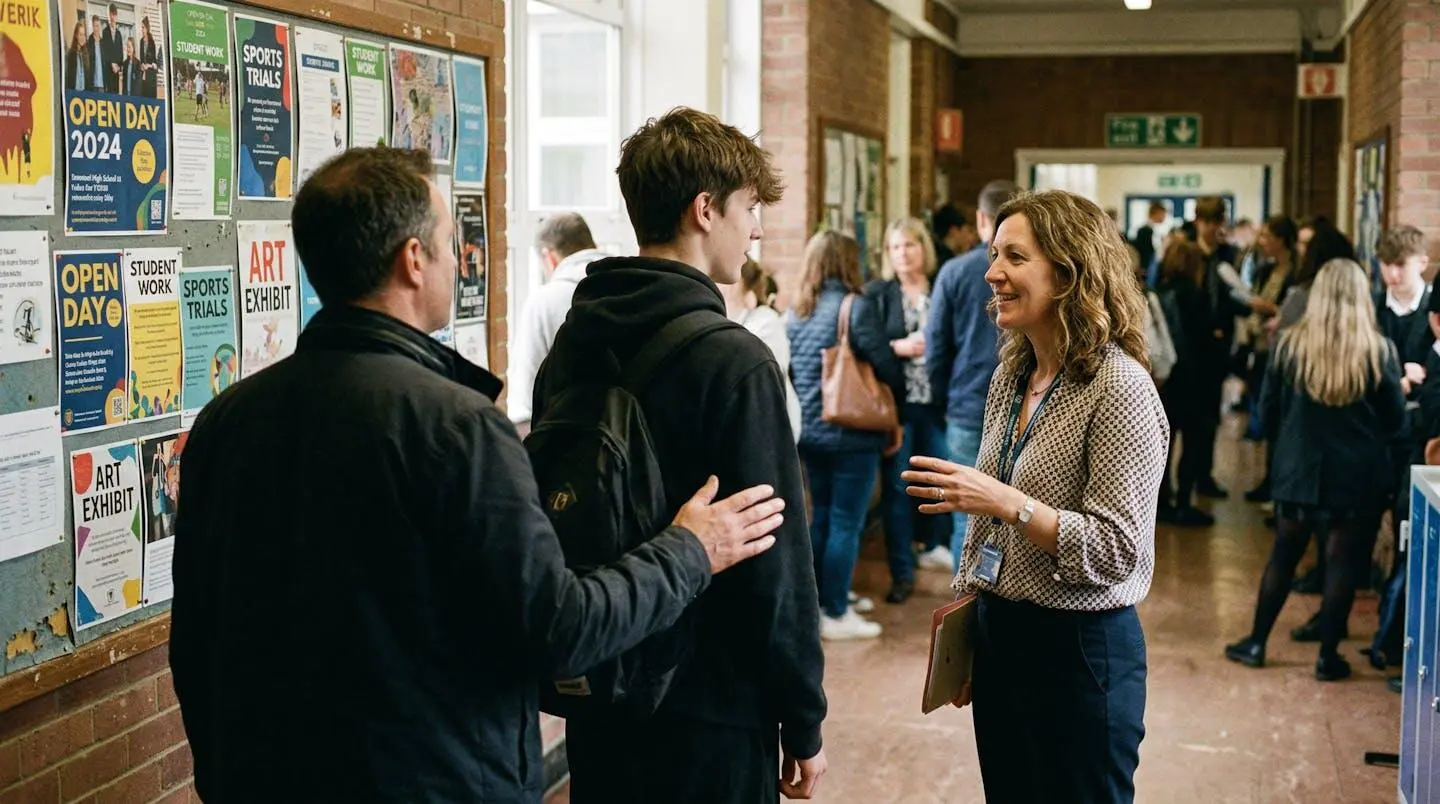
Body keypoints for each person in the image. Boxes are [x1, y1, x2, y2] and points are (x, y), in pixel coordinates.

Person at [169, 146, 787, 803]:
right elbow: (560, 629)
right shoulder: (457, 428)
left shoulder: (225, 423)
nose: (460, 260)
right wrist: (691, 549)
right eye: (449, 243)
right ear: (413, 260)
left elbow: (195, 641)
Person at [535, 108, 828, 803]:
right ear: (705, 210)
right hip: (712, 709)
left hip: (603, 686)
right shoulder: (735, 362)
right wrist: (804, 717)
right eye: (748, 209)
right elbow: (777, 566)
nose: (755, 230)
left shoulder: (571, 345)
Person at [903, 189, 1168, 803]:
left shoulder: (1120, 387)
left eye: (1015, 257)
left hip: (1080, 650)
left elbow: (1117, 550)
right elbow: (984, 527)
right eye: (994, 255)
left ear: (1069, 273)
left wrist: (1010, 503)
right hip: (1003, 638)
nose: (992, 273)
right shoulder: (1012, 374)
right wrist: (968, 629)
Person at [1224, 259, 1405, 680]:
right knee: (1342, 564)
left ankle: (1256, 642)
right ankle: (1327, 657)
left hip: (1298, 471)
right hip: (1356, 476)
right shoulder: (1378, 351)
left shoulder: (1289, 346)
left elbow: (1267, 411)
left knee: (1283, 556)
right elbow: (1395, 422)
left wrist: (1286, 447)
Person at [789, 230, 903, 639]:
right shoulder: (855, 307)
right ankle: (835, 612)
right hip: (852, 433)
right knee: (845, 521)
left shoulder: (795, 311)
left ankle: (821, 601)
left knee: (821, 516)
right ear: (848, 263)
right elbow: (886, 365)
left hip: (810, 431)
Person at [925, 179, 1022, 571]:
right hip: (1023, 408)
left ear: (981, 218)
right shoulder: (1034, 271)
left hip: (966, 407)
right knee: (1018, 512)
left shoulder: (953, 272)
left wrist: (940, 401)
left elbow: (936, 348)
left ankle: (967, 599)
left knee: (966, 517)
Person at [864, 218, 951, 604]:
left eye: (909, 245)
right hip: (897, 407)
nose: (902, 254)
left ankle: (933, 545)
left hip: (937, 405)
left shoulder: (940, 287)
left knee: (942, 480)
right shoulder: (880, 293)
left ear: (923, 248)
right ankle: (902, 571)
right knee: (899, 488)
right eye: (895, 247)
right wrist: (895, 348)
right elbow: (865, 341)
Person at [506, 212, 609, 434]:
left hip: (568, 442)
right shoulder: (631, 286)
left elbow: (524, 403)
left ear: (549, 257)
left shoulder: (544, 303)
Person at [719, 257, 803, 442]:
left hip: (770, 430)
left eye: (730, 284)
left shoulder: (765, 322)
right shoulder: (728, 319)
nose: (722, 287)